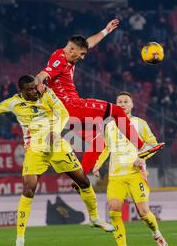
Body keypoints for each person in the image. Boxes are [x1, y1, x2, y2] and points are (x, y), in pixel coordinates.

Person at [0, 75, 115, 246]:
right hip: (35, 149)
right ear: (22, 91)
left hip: (57, 145)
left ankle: (94, 218)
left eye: (36, 87)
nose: (35, 91)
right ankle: (20, 239)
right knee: (28, 188)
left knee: (83, 181)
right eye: (31, 89)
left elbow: (64, 113)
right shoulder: (14, 103)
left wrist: (55, 131)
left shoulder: (47, 94)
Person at [35, 20, 165, 175]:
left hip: (66, 116)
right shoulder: (60, 59)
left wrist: (106, 30)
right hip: (73, 107)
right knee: (116, 111)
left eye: (83, 54)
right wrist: (38, 85)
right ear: (71, 49)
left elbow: (88, 43)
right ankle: (142, 147)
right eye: (80, 54)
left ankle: (80, 178)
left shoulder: (69, 53)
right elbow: (41, 75)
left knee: (99, 142)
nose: (82, 58)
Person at [92, 91, 168, 246]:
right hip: (115, 176)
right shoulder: (109, 126)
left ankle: (156, 233)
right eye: (119, 101)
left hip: (135, 175)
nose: (122, 104)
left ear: (132, 105)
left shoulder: (140, 124)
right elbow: (107, 148)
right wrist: (97, 164)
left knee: (143, 213)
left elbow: (153, 145)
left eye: (126, 101)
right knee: (114, 212)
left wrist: (142, 158)